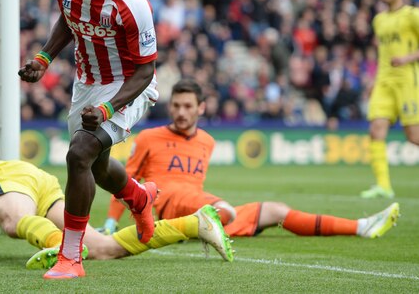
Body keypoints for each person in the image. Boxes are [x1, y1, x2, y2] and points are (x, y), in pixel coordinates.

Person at [18, 0, 160, 279]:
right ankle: (139, 198)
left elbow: (145, 72)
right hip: (86, 85)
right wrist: (43, 59)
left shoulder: (133, 5)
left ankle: (71, 257)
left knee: (79, 153)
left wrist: (108, 108)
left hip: (127, 86)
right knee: (95, 166)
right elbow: (70, 19)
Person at [99, 79, 400, 239]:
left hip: (201, 212)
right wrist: (111, 223)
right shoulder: (150, 137)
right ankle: (213, 217)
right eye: (176, 105)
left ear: (201, 108)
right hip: (166, 205)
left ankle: (361, 227)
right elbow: (123, 182)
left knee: (275, 210)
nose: (180, 111)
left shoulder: (208, 141)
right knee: (216, 207)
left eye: (188, 106)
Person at [0, 139, 233, 265]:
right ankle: (196, 223)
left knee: (12, 223)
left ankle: (61, 249)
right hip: (28, 181)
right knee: (102, 249)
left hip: (8, 181)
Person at [361, 0, 419, 199]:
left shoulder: (412, 16)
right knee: (376, 130)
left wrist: (407, 58)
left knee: (414, 136)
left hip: (408, 81)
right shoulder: (379, 20)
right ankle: (384, 186)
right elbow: (383, 54)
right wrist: (373, 81)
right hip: (384, 82)